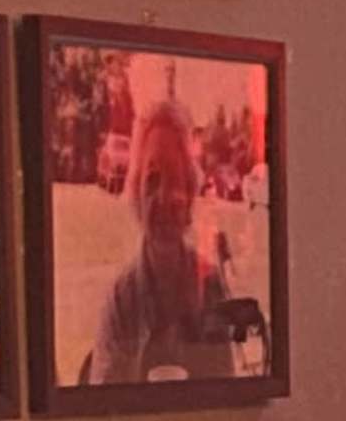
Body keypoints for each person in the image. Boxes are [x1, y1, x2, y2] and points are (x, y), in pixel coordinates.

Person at [79, 91, 255, 384]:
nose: (163, 197)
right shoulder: (120, 301)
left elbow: (225, 396)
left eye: (175, 180)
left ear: (190, 194)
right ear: (136, 194)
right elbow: (103, 403)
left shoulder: (210, 289)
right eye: (152, 179)